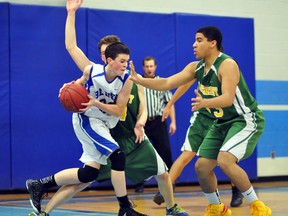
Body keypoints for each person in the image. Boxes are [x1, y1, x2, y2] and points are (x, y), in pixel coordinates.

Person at [129, 26, 271, 216]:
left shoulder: (227, 64)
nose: (194, 45)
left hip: (245, 119)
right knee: (201, 167)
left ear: (213, 43)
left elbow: (228, 98)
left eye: (199, 40)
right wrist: (138, 80)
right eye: (195, 40)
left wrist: (205, 103)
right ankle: (217, 207)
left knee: (225, 160)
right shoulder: (195, 67)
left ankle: (257, 206)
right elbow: (166, 83)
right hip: (221, 122)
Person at [26, 0, 146, 216]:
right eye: (121, 61)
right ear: (108, 60)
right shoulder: (92, 71)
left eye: (127, 61)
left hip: (104, 122)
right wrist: (71, 13)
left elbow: (119, 110)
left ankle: (40, 185)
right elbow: (71, 46)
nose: (125, 65)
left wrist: (96, 102)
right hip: (87, 120)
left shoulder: (127, 80)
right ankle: (125, 208)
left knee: (88, 174)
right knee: (117, 156)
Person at [152, 80, 244, 208]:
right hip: (201, 118)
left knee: (226, 160)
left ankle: (237, 190)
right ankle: (166, 188)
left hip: (221, 120)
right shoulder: (199, 68)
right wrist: (170, 103)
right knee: (186, 155)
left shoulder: (225, 69)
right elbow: (184, 83)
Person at [135, 56, 176, 193]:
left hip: (158, 122)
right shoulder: (138, 82)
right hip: (142, 123)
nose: (149, 69)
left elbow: (170, 103)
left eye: (151, 66)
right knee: (140, 153)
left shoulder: (161, 82)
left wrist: (173, 122)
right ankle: (139, 183)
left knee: (165, 152)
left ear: (155, 67)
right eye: (147, 66)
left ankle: (171, 180)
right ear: (143, 68)